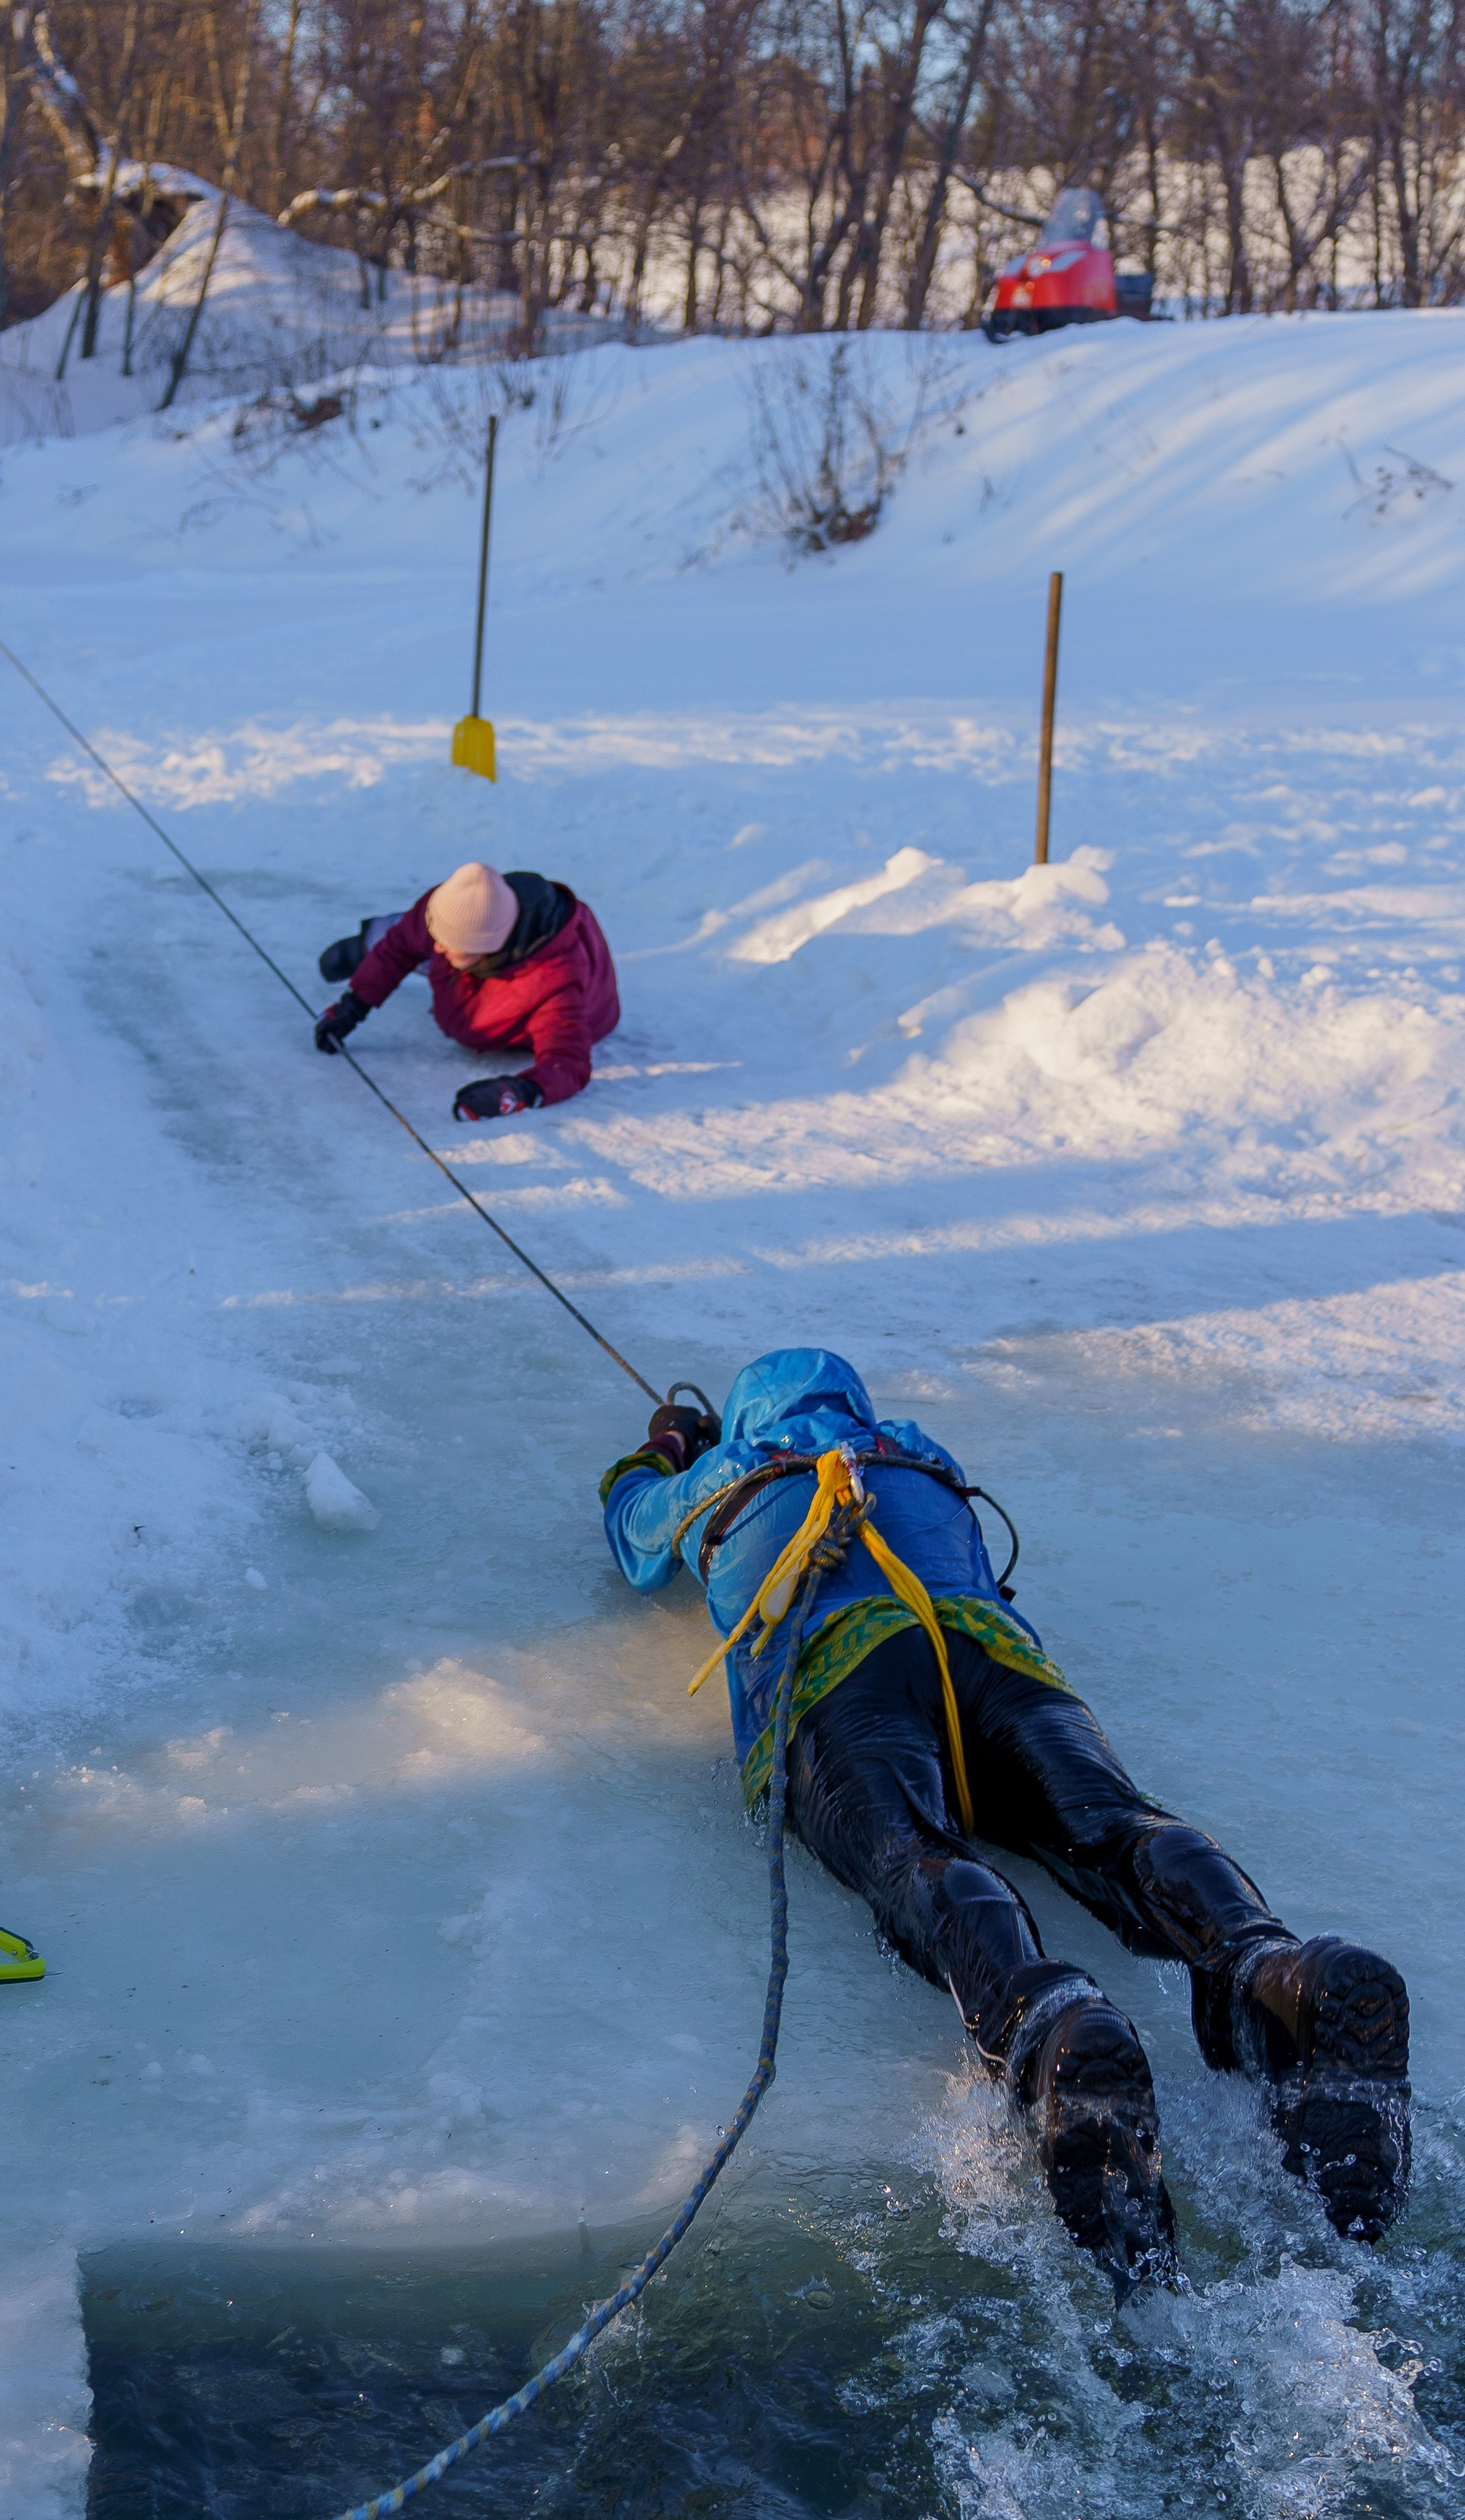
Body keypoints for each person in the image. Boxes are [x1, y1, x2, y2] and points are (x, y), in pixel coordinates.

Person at [601, 1348, 1412, 2296]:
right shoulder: (915, 1451)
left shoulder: (729, 1472)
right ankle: (1271, 1965)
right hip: (994, 1655)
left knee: (915, 1852)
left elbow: (630, 1531)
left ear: (744, 1419)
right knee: (1120, 1826)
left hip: (842, 1668)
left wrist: (667, 1449)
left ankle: (1049, 2016)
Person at [311, 862, 619, 1119]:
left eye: (451, 944)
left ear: (487, 949)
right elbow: (403, 945)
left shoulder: (556, 982)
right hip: (475, 959)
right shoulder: (461, 906)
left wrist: (518, 1091)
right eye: (438, 935)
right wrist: (355, 1004)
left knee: (454, 985)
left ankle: (416, 946)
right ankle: (372, 937)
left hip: (541, 998)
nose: (438, 946)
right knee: (411, 935)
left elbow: (567, 1063)